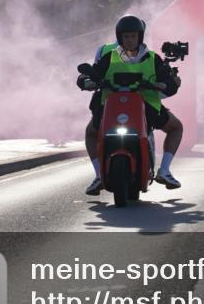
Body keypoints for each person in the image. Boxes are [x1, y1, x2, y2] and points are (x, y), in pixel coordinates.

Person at [78, 15, 183, 195]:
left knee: (176, 127)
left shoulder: (153, 58)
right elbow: (91, 73)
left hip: (147, 108)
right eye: (126, 36)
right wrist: (86, 80)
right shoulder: (109, 57)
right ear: (119, 37)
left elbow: (169, 79)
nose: (129, 40)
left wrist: (166, 83)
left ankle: (164, 170)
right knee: (90, 133)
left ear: (140, 37)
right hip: (109, 108)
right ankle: (98, 176)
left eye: (133, 36)